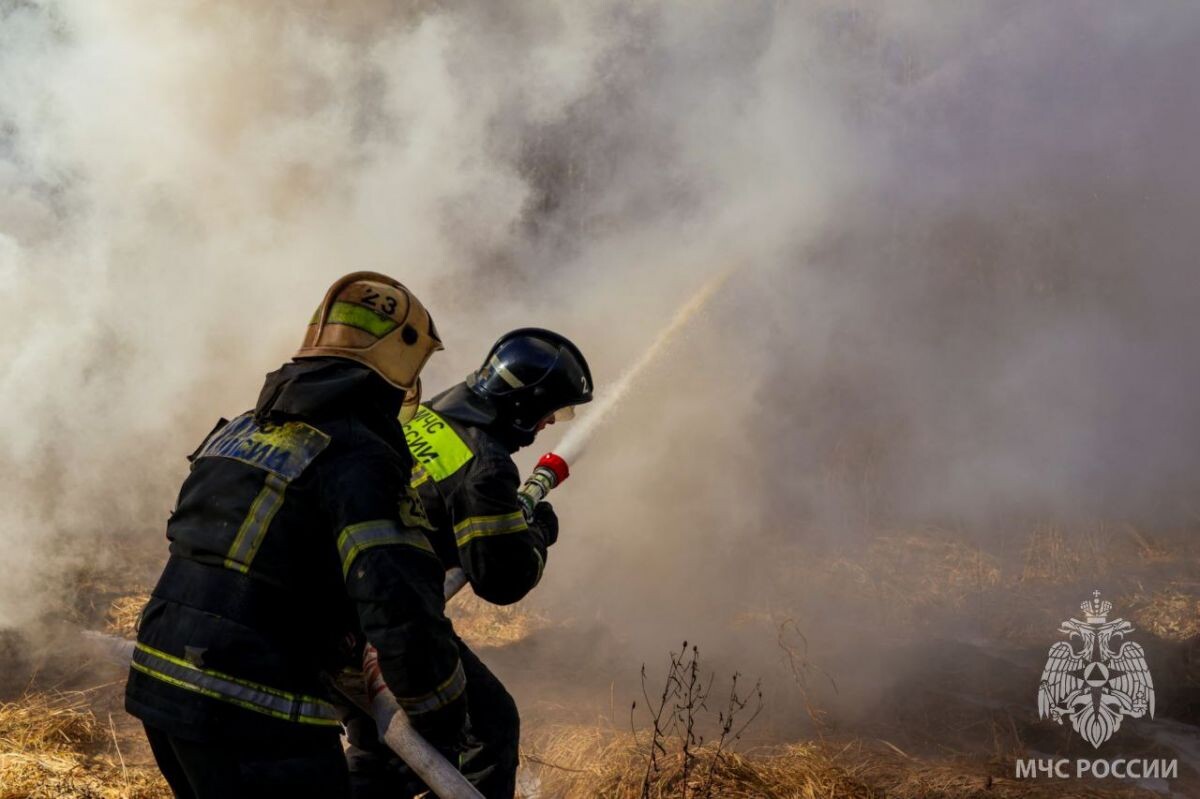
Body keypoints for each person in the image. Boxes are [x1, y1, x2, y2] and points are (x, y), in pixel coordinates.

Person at [125, 272, 462, 799]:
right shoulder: (359, 456)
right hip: (249, 707)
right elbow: (398, 604)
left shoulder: (241, 427)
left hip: (162, 686)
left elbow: (268, 560)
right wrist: (440, 715)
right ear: (399, 365)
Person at [347, 328, 593, 799]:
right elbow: (501, 579)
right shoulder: (488, 464)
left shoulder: (434, 410)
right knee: (489, 725)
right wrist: (538, 532)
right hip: (387, 620)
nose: (546, 426)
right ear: (523, 405)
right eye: (547, 415)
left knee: (378, 745)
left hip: (347, 598)